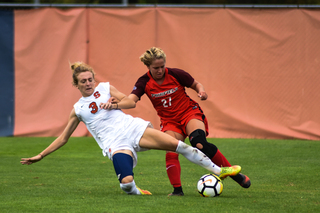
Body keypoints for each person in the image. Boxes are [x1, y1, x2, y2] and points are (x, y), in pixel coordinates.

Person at [20, 61, 242, 196]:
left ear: (94, 79)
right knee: (126, 184)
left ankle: (218, 170)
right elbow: (63, 138)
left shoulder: (106, 88)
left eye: (90, 79)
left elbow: (130, 101)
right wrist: (40, 155)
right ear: (75, 85)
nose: (88, 83)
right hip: (115, 145)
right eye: (83, 81)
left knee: (180, 146)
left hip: (134, 129)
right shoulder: (77, 109)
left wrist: (114, 103)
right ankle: (136, 192)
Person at [128, 47, 251, 196]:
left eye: (162, 66)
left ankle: (234, 175)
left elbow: (196, 84)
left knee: (199, 143)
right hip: (169, 122)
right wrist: (117, 103)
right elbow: (131, 99)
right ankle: (177, 191)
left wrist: (201, 91)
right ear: (148, 67)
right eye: (156, 68)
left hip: (189, 113)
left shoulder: (175, 74)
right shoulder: (144, 82)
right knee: (171, 151)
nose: (160, 70)